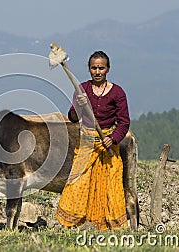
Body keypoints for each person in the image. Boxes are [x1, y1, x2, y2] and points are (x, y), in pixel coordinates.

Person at [56, 50, 130, 230]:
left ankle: (107, 225)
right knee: (79, 183)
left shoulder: (117, 92)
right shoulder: (82, 90)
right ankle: (76, 223)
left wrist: (112, 139)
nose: (97, 72)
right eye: (94, 68)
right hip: (87, 143)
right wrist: (79, 106)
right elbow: (73, 117)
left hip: (107, 146)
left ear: (108, 69)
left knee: (109, 188)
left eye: (101, 68)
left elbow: (124, 122)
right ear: (89, 69)